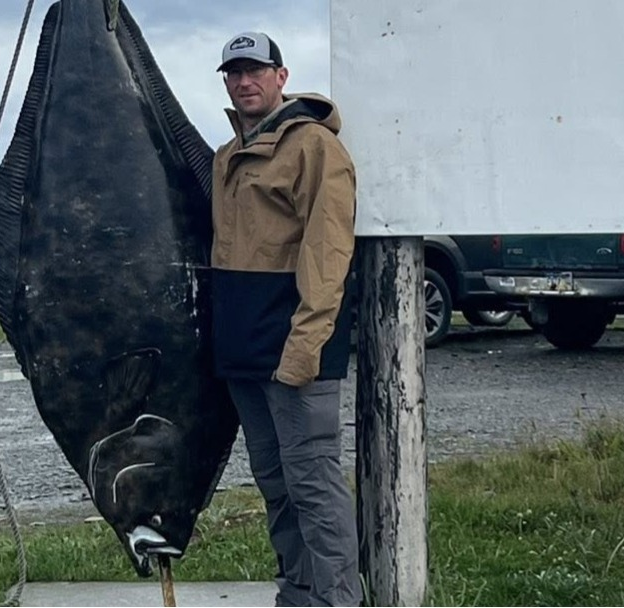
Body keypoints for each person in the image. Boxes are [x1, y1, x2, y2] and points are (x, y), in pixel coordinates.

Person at [209, 31, 361, 607]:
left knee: (314, 486)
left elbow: (327, 257)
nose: (244, 82)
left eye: (255, 71)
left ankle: (337, 601)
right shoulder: (227, 156)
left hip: (295, 347)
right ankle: (297, 595)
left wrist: (305, 347)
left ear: (282, 76)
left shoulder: (315, 148)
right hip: (245, 352)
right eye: (233, 73)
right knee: (276, 486)